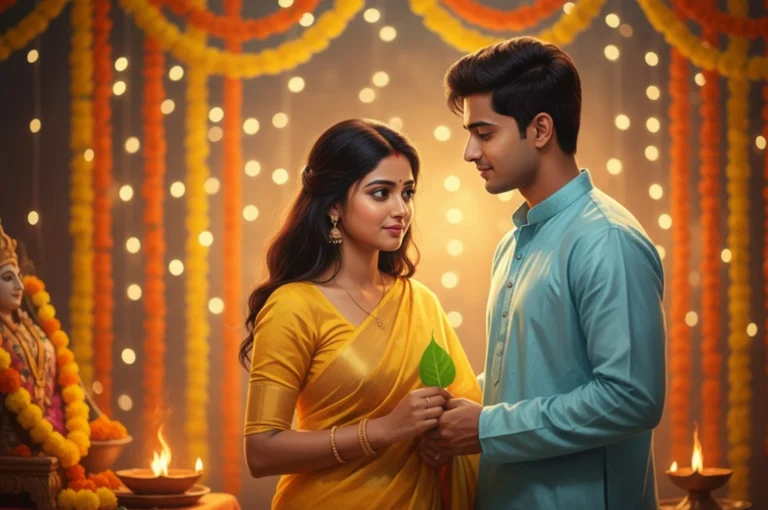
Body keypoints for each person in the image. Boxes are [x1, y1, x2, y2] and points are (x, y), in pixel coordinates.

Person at [420, 37, 667, 510]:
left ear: (540, 129)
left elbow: (632, 398)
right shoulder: (513, 243)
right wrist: (450, 420)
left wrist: (485, 427)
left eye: (484, 133)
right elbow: (529, 376)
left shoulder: (606, 239)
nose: (470, 152)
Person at [241, 119, 481, 509]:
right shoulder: (294, 306)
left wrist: (443, 442)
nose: (401, 209)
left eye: (407, 193)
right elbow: (261, 452)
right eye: (381, 193)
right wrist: (383, 431)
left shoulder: (420, 302)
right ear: (334, 205)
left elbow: (463, 411)